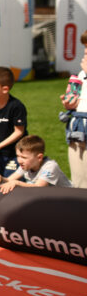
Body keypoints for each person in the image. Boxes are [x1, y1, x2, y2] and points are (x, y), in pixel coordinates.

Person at [0, 135, 72, 193]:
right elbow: (10, 180)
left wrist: (17, 183)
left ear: (39, 157)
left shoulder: (50, 167)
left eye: (24, 157)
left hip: (69, 200)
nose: (20, 160)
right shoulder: (26, 165)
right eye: (18, 156)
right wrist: (0, 177)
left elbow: (39, 188)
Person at [60, 30, 87, 188]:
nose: (84, 54)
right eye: (84, 49)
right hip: (77, 130)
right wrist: (70, 104)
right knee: (78, 182)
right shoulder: (81, 74)